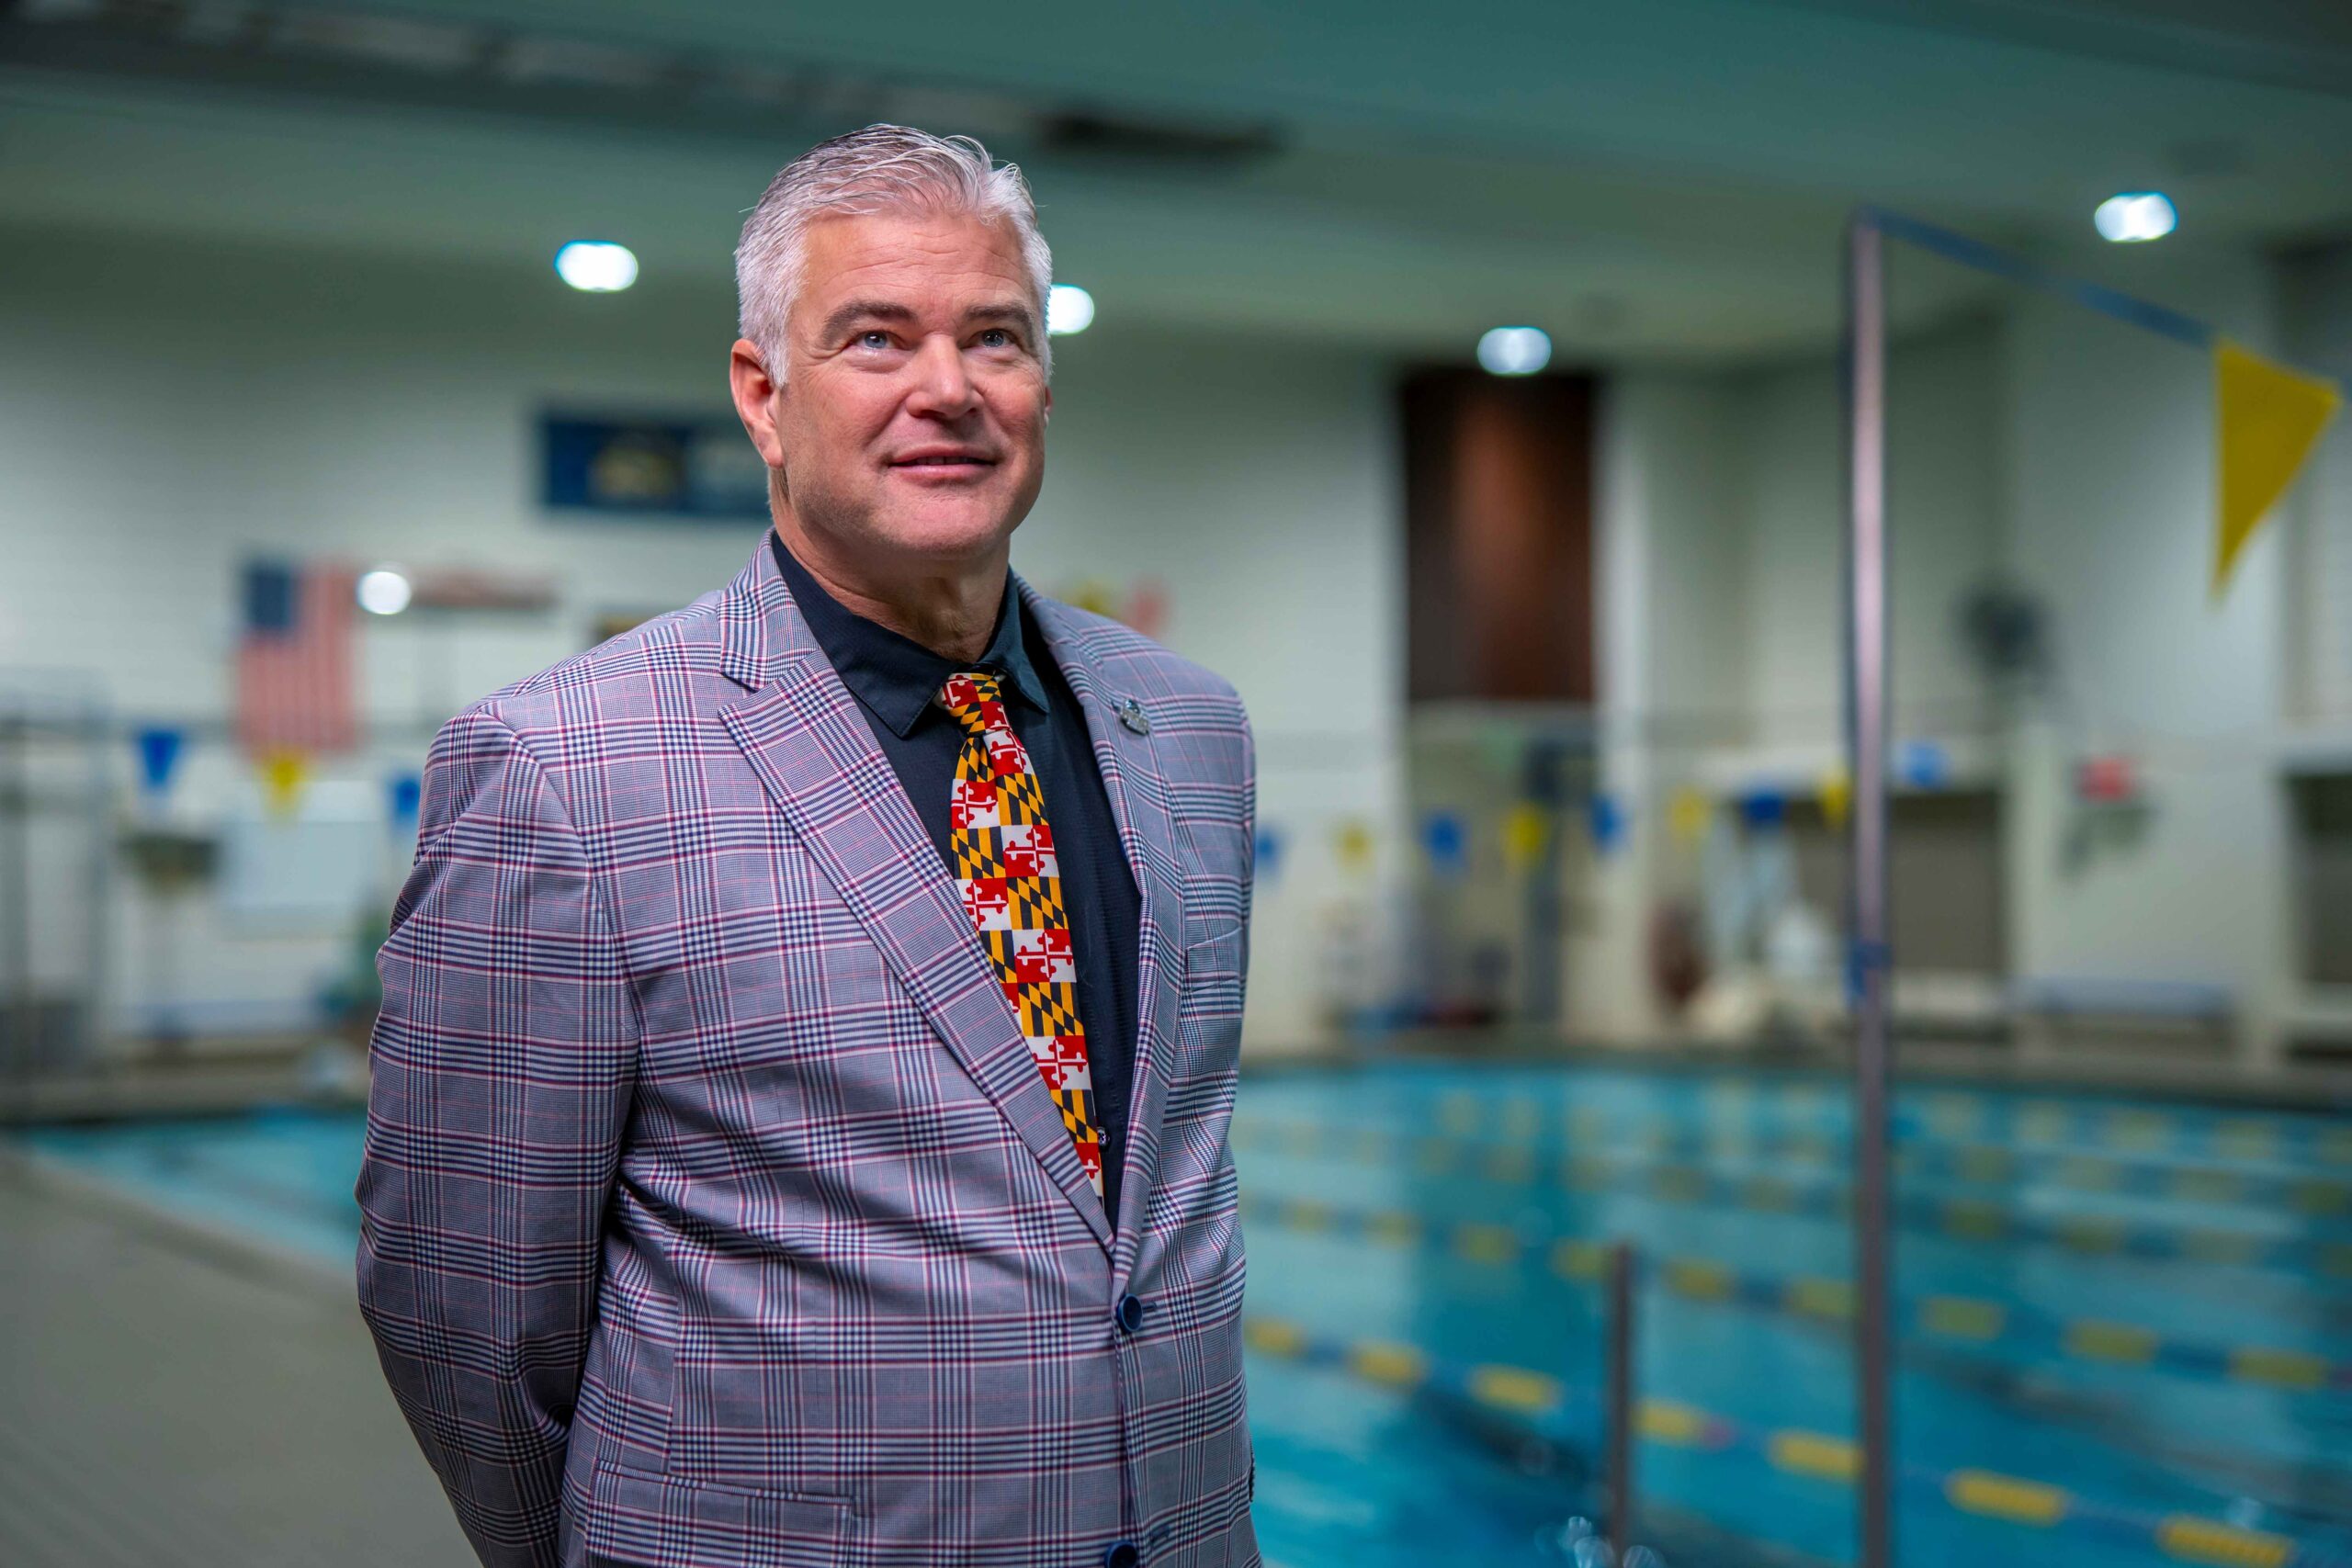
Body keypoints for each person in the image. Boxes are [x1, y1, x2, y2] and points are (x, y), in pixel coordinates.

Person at [356, 124, 1259, 1568]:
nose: (947, 390)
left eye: (997, 339)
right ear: (762, 395)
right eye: (875, 339)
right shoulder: (564, 767)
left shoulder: (1189, 728)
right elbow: (464, 1307)